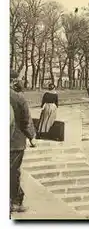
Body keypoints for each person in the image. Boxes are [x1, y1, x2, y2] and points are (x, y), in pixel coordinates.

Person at [10, 70, 36, 214]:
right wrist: (31, 137)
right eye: (20, 79)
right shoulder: (19, 98)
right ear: (14, 81)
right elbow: (26, 122)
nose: (21, 81)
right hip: (15, 142)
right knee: (13, 172)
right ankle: (15, 202)